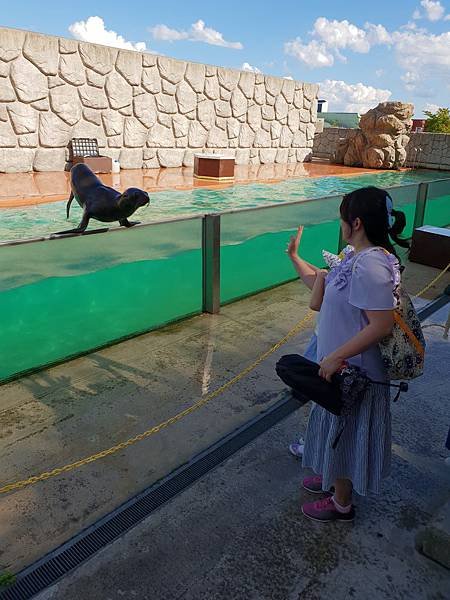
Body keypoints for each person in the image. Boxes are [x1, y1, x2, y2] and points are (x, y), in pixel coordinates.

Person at [297, 186, 408, 522]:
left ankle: (341, 502)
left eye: (343, 217)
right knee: (333, 429)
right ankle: (332, 476)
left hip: (355, 374)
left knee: (346, 434)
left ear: (355, 222)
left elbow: (381, 325)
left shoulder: (371, 264)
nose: (341, 223)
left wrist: (335, 356)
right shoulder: (353, 257)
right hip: (340, 368)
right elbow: (325, 301)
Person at [286, 226, 323, 458]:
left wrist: (294, 256)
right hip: (330, 343)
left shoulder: (359, 262)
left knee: (325, 399)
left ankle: (317, 451)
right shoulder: (376, 258)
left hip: (333, 347)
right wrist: (295, 256)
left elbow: (318, 296)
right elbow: (321, 278)